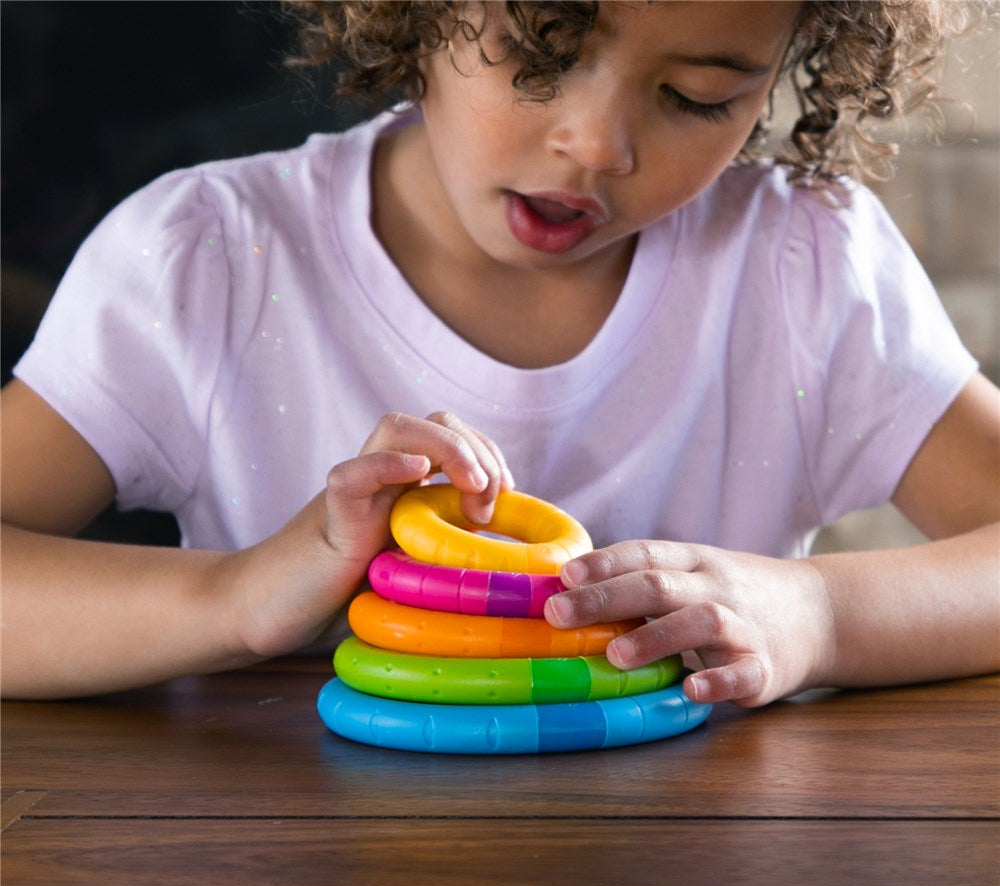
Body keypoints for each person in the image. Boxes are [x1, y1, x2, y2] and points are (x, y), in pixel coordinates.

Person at [2, 1, 996, 704]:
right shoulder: (209, 258)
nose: (597, 144)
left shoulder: (800, 266)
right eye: (540, 52)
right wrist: (238, 597)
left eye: (696, 96)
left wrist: (819, 618)